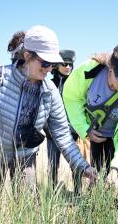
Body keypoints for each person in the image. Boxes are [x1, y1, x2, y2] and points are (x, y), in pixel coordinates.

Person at [0, 25, 96, 199]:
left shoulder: (50, 92)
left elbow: (62, 135)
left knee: (26, 211)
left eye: (52, 64)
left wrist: (83, 166)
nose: (49, 68)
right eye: (44, 62)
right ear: (27, 56)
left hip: (26, 159)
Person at [63, 42, 118, 199]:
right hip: (97, 135)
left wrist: (116, 167)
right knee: (97, 178)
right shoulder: (89, 71)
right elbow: (71, 97)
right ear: (111, 68)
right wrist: (85, 129)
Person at [43, 49, 81, 191]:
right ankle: (52, 194)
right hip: (52, 134)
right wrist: (47, 129)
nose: (68, 67)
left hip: (72, 133)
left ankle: (78, 193)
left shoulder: (77, 85)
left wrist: (76, 130)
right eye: (65, 64)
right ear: (56, 65)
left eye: (70, 64)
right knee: (52, 165)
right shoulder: (48, 84)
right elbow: (44, 109)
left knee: (76, 164)